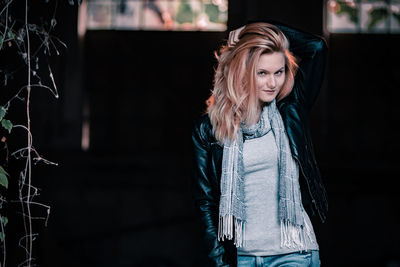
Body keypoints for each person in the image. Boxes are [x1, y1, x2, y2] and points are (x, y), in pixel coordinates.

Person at [191, 21, 329, 267]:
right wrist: (220, 263)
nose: (272, 83)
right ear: (243, 72)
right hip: (241, 257)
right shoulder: (210, 129)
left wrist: (254, 31)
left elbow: (316, 47)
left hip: (293, 253)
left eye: (279, 72)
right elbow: (206, 203)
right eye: (262, 73)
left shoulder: (291, 110)